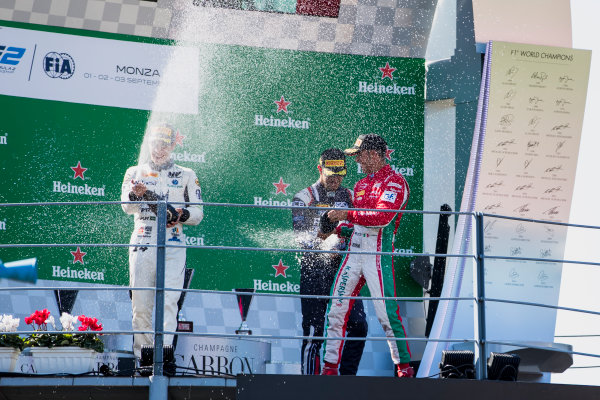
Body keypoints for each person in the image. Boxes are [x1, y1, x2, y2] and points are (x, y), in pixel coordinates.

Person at [320, 134, 414, 378]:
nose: (356, 160)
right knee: (336, 309)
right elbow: (358, 224)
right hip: (354, 251)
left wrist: (346, 216)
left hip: (376, 255)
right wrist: (336, 229)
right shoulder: (361, 185)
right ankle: (329, 369)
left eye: (359, 155)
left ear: (373, 155)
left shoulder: (395, 183)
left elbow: (382, 219)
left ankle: (404, 369)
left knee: (386, 314)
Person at [121, 123, 204, 360]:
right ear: (148, 144)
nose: (159, 149)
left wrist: (180, 215)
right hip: (142, 240)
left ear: (173, 145)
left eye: (164, 145)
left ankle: (164, 355)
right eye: (155, 144)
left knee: (169, 301)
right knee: (141, 303)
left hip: (173, 243)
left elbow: (198, 213)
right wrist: (137, 193)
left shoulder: (187, 174)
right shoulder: (133, 172)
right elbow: (126, 207)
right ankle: (142, 358)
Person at [292, 148, 368, 375]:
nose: (335, 178)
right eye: (330, 173)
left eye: (340, 174)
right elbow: (301, 238)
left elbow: (361, 231)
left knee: (359, 326)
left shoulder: (351, 196)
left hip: (344, 270)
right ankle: (311, 386)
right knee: (315, 332)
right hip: (315, 269)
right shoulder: (303, 197)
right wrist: (327, 243)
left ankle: (344, 382)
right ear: (319, 169)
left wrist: (341, 242)